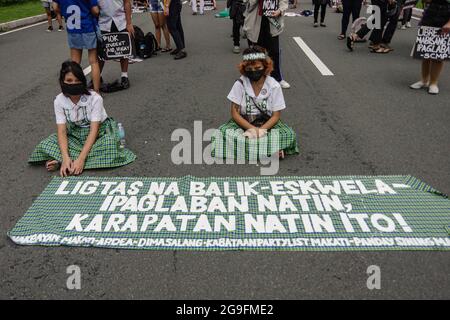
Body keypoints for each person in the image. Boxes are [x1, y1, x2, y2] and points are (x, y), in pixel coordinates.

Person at [29, 61, 136, 176]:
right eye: (69, 81)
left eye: (77, 80)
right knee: (48, 143)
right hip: (75, 133)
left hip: (100, 132)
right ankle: (66, 161)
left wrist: (81, 159)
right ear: (62, 82)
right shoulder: (59, 101)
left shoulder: (95, 99)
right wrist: (65, 157)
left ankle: (66, 161)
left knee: (109, 145)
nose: (73, 84)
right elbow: (62, 131)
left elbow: (94, 130)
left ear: (82, 81)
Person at [211, 46, 299, 161]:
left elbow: (276, 115)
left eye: (258, 67)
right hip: (244, 122)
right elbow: (234, 113)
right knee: (221, 134)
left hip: (267, 123)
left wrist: (261, 131)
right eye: (249, 69)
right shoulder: (240, 83)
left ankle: (247, 149)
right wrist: (252, 129)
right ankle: (270, 151)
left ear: (266, 66)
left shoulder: (274, 85)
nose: (254, 71)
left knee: (288, 134)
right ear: (244, 68)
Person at [53, 0, 101, 92]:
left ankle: (75, 89)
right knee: (93, 61)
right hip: (88, 26)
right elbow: (95, 11)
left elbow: (55, 7)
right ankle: (96, 91)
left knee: (75, 62)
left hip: (73, 28)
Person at [243, 0, 291, 89]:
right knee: (256, 53)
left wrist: (279, 11)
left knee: (275, 52)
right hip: (255, 22)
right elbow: (247, 3)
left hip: (272, 22)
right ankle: (256, 77)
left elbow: (283, 2)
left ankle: (277, 78)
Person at [410, 0, 450, 95]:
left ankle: (433, 82)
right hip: (431, 12)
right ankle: (424, 80)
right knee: (425, 50)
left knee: (439, 52)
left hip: (446, 13)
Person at [98, 0, 134, 90]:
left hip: (120, 20)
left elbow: (127, 2)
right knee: (100, 51)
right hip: (102, 21)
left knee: (123, 48)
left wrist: (129, 23)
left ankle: (124, 75)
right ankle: (97, 77)